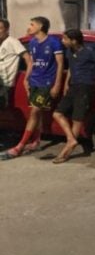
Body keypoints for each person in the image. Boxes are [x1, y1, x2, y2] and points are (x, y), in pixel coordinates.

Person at [3, 17, 64, 159]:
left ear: (40, 26)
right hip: (34, 81)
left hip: (46, 82)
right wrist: (26, 78)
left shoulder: (54, 42)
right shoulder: (32, 42)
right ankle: (36, 139)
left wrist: (57, 84)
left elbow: (60, 64)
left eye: (32, 24)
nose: (29, 27)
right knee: (37, 112)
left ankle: (20, 145)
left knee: (35, 112)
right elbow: (32, 62)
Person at [52, 29, 95, 164]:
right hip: (73, 86)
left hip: (85, 87)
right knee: (57, 113)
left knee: (77, 119)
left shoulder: (89, 52)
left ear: (74, 41)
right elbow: (71, 69)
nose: (63, 41)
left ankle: (67, 150)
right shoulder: (70, 52)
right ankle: (71, 139)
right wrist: (66, 84)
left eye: (65, 39)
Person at [0, 19, 32, 109]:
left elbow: (28, 59)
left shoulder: (13, 42)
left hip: (4, 85)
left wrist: (27, 78)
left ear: (7, 29)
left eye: (0, 28)